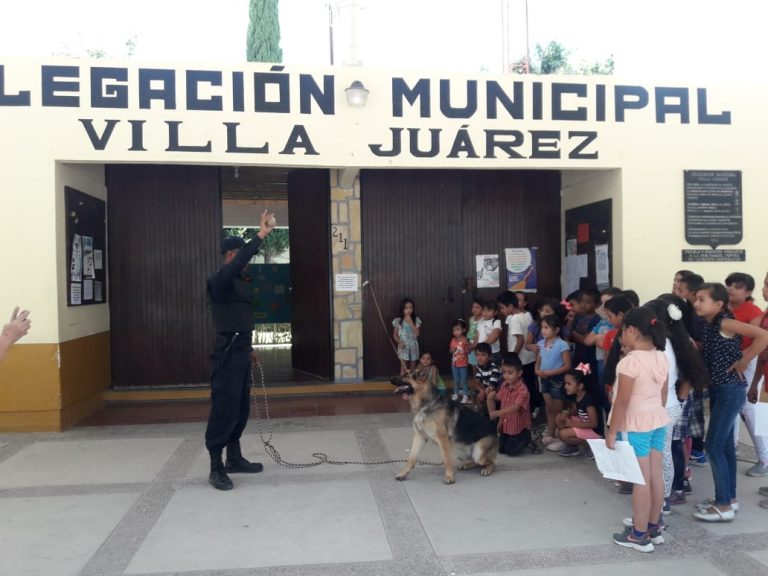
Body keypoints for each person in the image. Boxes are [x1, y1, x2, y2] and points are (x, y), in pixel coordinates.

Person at [205, 210, 275, 491]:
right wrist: (260, 235)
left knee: (241, 408)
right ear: (231, 255)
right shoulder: (220, 280)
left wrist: (250, 348)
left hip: (241, 350)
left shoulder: (237, 281)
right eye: (241, 256)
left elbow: (238, 318)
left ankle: (234, 458)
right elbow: (238, 265)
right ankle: (216, 466)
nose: (245, 262)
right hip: (227, 354)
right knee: (224, 408)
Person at [692, 283, 768, 521]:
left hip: (729, 390)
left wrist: (745, 359)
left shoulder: (725, 322)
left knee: (713, 446)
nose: (697, 303)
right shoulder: (709, 324)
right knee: (724, 447)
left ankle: (724, 506)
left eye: (702, 299)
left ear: (718, 304)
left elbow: (763, 335)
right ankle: (729, 499)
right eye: (696, 298)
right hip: (719, 389)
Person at [607, 307, 669, 553]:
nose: (621, 336)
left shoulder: (629, 362)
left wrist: (612, 430)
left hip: (635, 426)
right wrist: (655, 413)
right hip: (656, 421)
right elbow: (662, 394)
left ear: (631, 330)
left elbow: (622, 401)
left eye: (622, 331)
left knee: (640, 480)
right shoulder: (660, 356)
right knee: (655, 476)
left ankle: (638, 534)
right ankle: (654, 527)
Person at [644, 297, 710, 511]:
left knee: (665, 454)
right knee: (666, 452)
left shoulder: (663, 347)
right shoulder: (672, 342)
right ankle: (664, 498)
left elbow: (673, 379)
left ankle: (662, 502)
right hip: (672, 403)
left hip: (665, 405)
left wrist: (677, 400)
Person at [725, 272, 768, 477]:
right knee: (730, 405)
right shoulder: (724, 308)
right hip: (730, 363)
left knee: (750, 411)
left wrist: (744, 361)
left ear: (747, 291)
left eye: (738, 286)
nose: (731, 289)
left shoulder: (754, 311)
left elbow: (759, 341)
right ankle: (731, 447)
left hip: (748, 363)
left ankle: (764, 458)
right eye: (730, 285)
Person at [533, 315, 572, 449]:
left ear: (556, 330)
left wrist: (550, 373)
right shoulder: (540, 343)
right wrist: (537, 370)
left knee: (559, 409)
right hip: (544, 379)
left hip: (557, 380)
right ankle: (551, 434)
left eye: (546, 328)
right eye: (542, 327)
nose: (543, 331)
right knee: (549, 408)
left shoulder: (562, 344)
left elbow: (567, 365)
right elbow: (538, 360)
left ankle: (562, 436)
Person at [498, 291, 540, 414]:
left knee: (523, 386)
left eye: (502, 308)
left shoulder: (515, 319)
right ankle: (535, 407)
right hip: (530, 358)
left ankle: (526, 409)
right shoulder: (526, 315)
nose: (501, 311)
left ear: (511, 306)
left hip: (520, 359)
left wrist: (512, 356)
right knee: (531, 384)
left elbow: (520, 339)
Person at [488, 353, 532, 456]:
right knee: (501, 449)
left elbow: (515, 407)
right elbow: (501, 402)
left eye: (510, 373)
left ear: (519, 373)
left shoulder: (523, 390)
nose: (506, 376)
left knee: (511, 452)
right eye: (504, 372)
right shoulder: (504, 385)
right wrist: (500, 421)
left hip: (518, 427)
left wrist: (497, 413)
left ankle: (526, 436)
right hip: (507, 425)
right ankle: (513, 439)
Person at [555, 363, 602, 458]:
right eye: (565, 383)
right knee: (559, 418)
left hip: (594, 432)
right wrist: (568, 413)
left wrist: (572, 424)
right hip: (584, 425)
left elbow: (594, 424)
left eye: (569, 384)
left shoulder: (588, 400)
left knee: (562, 435)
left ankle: (591, 446)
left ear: (580, 386)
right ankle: (572, 446)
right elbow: (577, 413)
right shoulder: (577, 397)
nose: (565, 386)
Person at [393, 298, 422, 374]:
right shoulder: (398, 320)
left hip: (413, 345)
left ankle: (411, 384)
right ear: (402, 309)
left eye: (411, 307)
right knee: (403, 367)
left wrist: (410, 322)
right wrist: (399, 342)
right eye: (406, 308)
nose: (408, 310)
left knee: (413, 367)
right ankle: (402, 384)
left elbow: (417, 334)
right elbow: (395, 335)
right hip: (403, 346)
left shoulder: (416, 319)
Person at [471, 342, 501, 411]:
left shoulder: (494, 369)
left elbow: (492, 387)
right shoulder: (479, 367)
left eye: (483, 355)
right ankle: (481, 410)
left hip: (495, 391)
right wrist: (481, 391)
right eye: (477, 355)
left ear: (490, 357)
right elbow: (477, 383)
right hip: (486, 389)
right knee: (473, 392)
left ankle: (492, 414)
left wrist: (483, 391)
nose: (479, 358)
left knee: (488, 393)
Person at [449, 319, 471, 403]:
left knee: (464, 380)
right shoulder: (453, 340)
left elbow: (469, 350)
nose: (455, 332)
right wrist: (453, 349)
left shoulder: (465, 340)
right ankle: (456, 394)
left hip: (463, 364)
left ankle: (465, 396)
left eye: (458, 329)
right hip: (454, 364)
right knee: (456, 380)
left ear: (464, 330)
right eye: (454, 330)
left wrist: (465, 349)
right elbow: (450, 351)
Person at [475, 300, 502, 365]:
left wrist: (481, 346)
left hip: (492, 353)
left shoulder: (496, 322)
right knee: (483, 371)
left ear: (495, 312)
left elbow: (494, 337)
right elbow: (477, 336)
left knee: (493, 372)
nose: (485, 313)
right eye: (484, 310)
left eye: (489, 310)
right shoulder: (480, 321)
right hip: (481, 353)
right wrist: (475, 347)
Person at [466, 298, 484, 371]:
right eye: (473, 307)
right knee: (473, 364)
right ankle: (475, 379)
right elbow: (470, 332)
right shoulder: (471, 319)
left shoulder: (483, 320)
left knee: (481, 365)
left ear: (483, 309)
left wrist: (474, 345)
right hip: (471, 346)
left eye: (477, 307)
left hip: (479, 345)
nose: (474, 309)